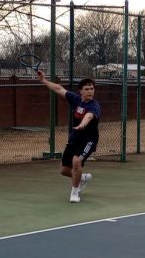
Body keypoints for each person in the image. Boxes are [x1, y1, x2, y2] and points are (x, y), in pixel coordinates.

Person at [38, 70, 100, 202]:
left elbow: (89, 116)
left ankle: (75, 193)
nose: (90, 91)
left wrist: (82, 125)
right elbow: (59, 89)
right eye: (87, 89)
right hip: (75, 138)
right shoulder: (76, 100)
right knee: (64, 170)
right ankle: (82, 178)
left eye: (92, 89)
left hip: (89, 139)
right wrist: (43, 80)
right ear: (81, 91)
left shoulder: (94, 106)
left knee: (76, 161)